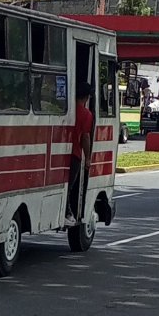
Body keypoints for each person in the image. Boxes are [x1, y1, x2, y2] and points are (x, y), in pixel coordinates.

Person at [65, 82, 94, 226]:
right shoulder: (86, 114)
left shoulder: (66, 109)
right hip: (74, 154)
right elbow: (85, 137)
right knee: (69, 186)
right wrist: (88, 158)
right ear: (87, 97)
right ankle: (67, 212)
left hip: (60, 152)